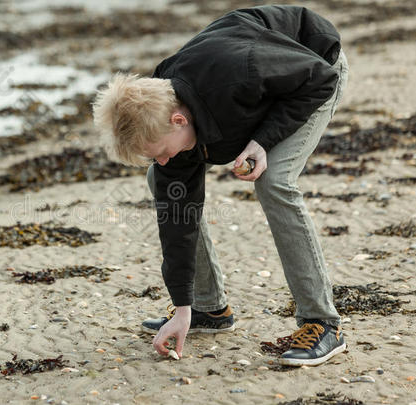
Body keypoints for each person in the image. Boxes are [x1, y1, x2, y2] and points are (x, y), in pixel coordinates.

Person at [92, 5, 349, 366]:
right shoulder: (165, 113)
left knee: (274, 181)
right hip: (248, 97)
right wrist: (182, 307)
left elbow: (319, 78)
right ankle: (207, 309)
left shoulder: (240, 69)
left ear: (178, 120)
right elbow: (177, 217)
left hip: (311, 72)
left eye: (161, 151)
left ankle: (322, 323)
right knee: (162, 180)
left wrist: (263, 140)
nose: (164, 160)